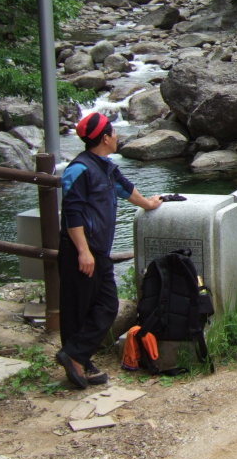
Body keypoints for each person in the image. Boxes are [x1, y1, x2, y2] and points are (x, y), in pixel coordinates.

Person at [57, 112, 163, 389]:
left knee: (105, 305)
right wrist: (83, 251)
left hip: (98, 251)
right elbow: (72, 213)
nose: (117, 136)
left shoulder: (105, 166)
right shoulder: (78, 169)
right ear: (105, 138)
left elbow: (125, 189)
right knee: (79, 308)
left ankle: (76, 355)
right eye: (113, 132)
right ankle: (78, 361)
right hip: (80, 251)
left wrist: (149, 204)